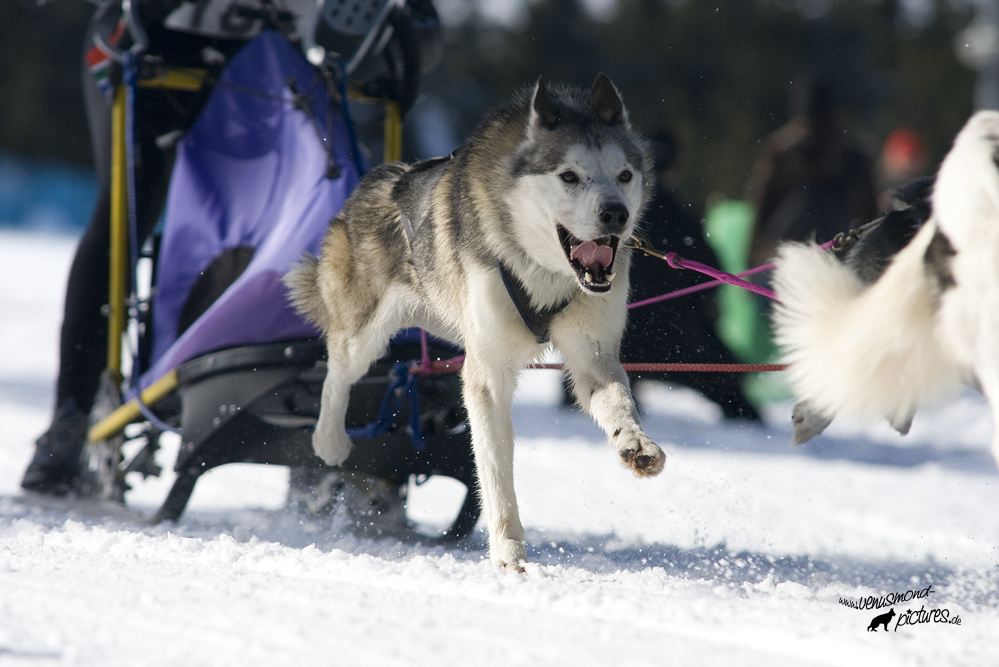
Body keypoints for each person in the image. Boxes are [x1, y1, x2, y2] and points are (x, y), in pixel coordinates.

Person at [22, 2, 256, 495]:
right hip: (146, 42)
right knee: (126, 211)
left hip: (257, 62)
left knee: (289, 215)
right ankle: (71, 419)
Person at [744, 78, 879, 267]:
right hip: (841, 260)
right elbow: (870, 212)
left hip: (784, 261)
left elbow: (760, 206)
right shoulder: (852, 154)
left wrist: (752, 258)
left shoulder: (780, 152)